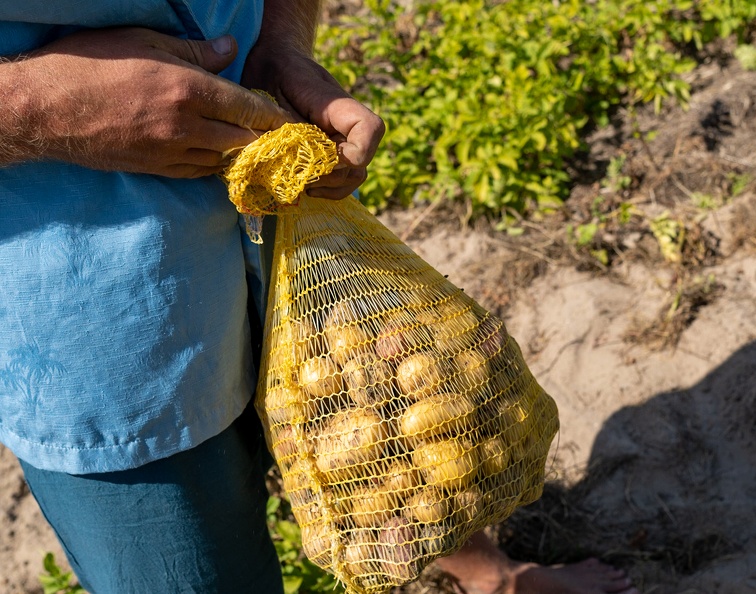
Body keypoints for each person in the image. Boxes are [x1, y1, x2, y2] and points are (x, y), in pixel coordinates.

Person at [0, 2, 637, 593]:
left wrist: (281, 41)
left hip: (279, 188)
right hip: (88, 310)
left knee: (392, 413)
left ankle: (488, 575)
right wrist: (36, 109)